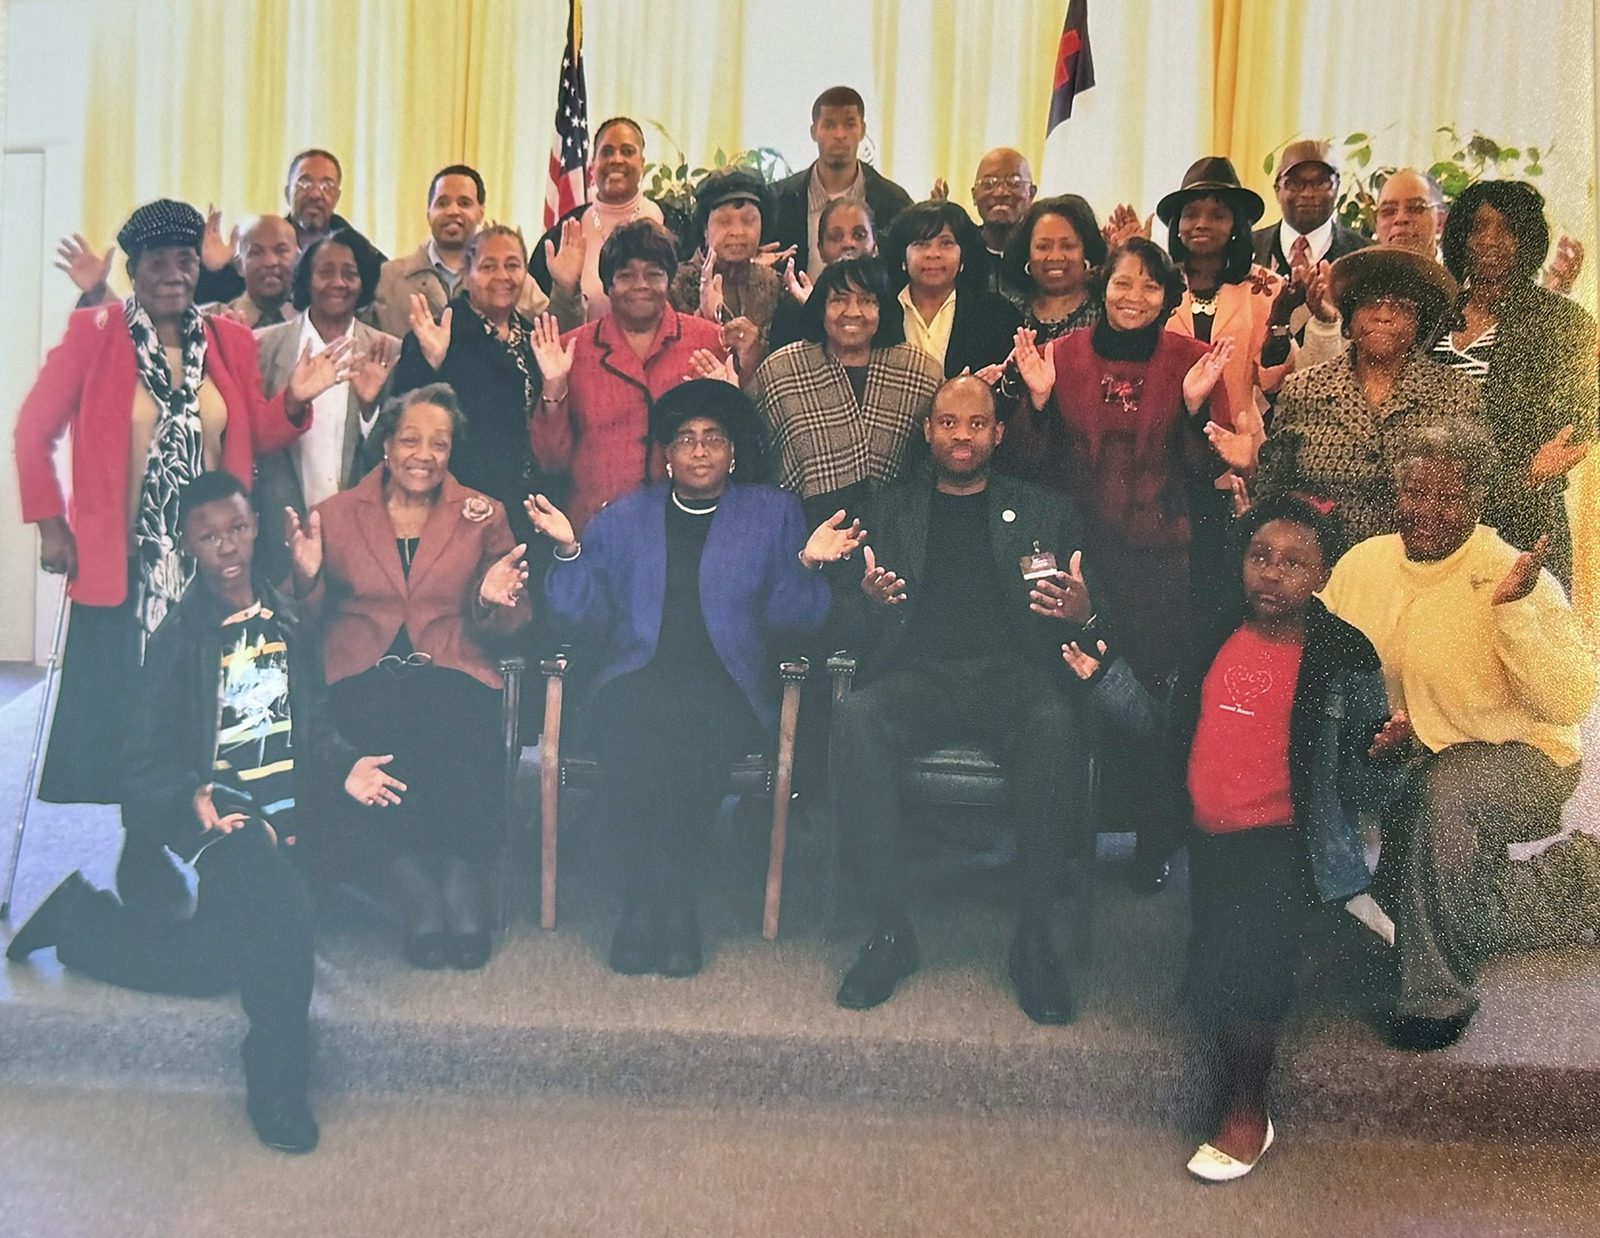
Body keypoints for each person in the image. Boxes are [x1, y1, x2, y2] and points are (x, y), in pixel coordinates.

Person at [5, 472, 374, 1154]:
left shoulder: (285, 617)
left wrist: (347, 763)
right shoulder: (181, 637)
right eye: (208, 537)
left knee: (214, 966)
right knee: (285, 915)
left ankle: (76, 921)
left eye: (236, 528)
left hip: (288, 810)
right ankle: (276, 1088)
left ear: (254, 525)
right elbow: (140, 759)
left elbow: (312, 721)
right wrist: (190, 795)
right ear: (188, 544)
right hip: (222, 818)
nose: (226, 547)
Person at [1063, 494, 1409, 1181]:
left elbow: (1363, 793)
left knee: (1245, 978)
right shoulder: (1217, 631)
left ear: (1322, 574)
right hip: (1210, 840)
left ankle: (1246, 1108)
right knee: (1210, 972)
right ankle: (1336, 940)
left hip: (1285, 844)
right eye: (1260, 557)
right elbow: (1170, 730)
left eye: (1293, 562)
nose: (1272, 574)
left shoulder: (1345, 655)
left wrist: (1386, 757)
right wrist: (1103, 674)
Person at [13, 199, 348, 810]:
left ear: (199, 267)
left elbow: (252, 438)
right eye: (158, 261)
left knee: (207, 698)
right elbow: (32, 431)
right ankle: (141, 830)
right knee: (130, 708)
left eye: (186, 259)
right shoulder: (94, 336)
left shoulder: (230, 340)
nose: (174, 272)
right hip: (127, 560)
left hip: (213, 557)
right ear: (134, 271)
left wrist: (295, 401)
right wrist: (49, 526)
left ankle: (210, 819)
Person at [529, 381, 858, 977]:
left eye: (713, 439)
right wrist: (571, 553)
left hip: (726, 685)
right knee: (637, 727)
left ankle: (666, 901)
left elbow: (794, 623)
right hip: (634, 677)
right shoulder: (626, 515)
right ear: (667, 456)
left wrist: (807, 564)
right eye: (685, 440)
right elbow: (582, 619)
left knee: (689, 727)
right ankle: (650, 900)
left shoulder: (772, 513)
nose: (700, 451)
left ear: (733, 453)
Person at [1321, 421, 1600, 1051]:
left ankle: (1434, 994)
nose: (1425, 510)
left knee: (1439, 801)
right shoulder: (1366, 564)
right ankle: (1577, 884)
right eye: (1414, 493)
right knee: (1415, 893)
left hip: (1522, 762)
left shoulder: (1509, 573)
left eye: (1447, 497)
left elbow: (1570, 699)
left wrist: (1515, 611)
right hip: (1404, 757)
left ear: (1475, 502)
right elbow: (1322, 645)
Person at [828, 376, 1093, 1022]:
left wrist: (1083, 615)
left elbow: (1080, 606)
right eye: (948, 423)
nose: (962, 435)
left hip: (1015, 678)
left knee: (1057, 724)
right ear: (928, 432)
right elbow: (848, 623)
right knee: (855, 717)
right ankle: (891, 930)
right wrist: (868, 605)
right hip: (920, 676)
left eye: (976, 424)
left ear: (998, 433)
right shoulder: (890, 509)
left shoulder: (1043, 511)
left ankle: (1034, 938)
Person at [1006, 237, 1238, 888]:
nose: (1133, 298)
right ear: (1100, 287)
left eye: (1149, 286)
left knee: (1149, 695)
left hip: (1161, 561)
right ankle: (1067, 835)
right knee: (1070, 689)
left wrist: (1195, 409)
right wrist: (1042, 401)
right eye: (1121, 284)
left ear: (1168, 298)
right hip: (1078, 555)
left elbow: (1206, 472)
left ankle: (1151, 841)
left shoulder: (1194, 360)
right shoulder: (1061, 355)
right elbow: (1026, 466)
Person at [286, 385, 531, 969]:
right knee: (371, 720)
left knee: (457, 716)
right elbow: (301, 622)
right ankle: (411, 880)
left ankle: (460, 872)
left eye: (439, 444)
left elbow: (515, 622)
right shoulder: (335, 514)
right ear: (387, 446)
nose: (425, 454)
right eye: (411, 440)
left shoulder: (482, 514)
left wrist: (495, 599)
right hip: (359, 667)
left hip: (451, 660)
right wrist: (305, 578)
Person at [1255, 246, 1483, 547]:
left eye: (1401, 306)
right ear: (1348, 321)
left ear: (1419, 324)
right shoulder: (1303, 389)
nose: (1384, 316)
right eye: (1370, 304)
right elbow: (1272, 493)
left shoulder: (1457, 394)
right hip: (1324, 573)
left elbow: (1471, 497)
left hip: (1416, 570)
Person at [1430, 179, 1597, 584]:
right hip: (1436, 514)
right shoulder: (1434, 312)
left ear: (1526, 239)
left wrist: (1538, 471)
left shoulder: (1562, 320)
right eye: (1478, 227)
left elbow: (1588, 412)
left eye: (1506, 228)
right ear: (1460, 236)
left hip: (1524, 514)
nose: (1490, 240)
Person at [527, 219, 727, 533]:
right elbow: (550, 462)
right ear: (608, 285)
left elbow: (736, 446)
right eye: (626, 275)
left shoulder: (710, 341)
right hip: (597, 529)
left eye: (654, 274)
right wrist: (554, 388)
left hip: (689, 528)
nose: (641, 285)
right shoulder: (570, 350)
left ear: (669, 280)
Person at [748, 256, 943, 527]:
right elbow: (752, 450)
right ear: (821, 308)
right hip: (803, 531)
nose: (853, 312)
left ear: (882, 308)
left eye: (866, 300)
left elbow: (935, 461)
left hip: (897, 532)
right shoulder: (783, 369)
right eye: (839, 299)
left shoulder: (919, 370)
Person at [254, 230, 401, 582]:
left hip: (362, 538)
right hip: (281, 532)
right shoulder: (264, 347)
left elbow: (396, 450)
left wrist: (369, 411)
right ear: (306, 279)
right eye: (325, 272)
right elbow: (255, 441)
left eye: (350, 273)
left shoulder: (388, 351)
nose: (338, 283)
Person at [392, 225, 553, 546]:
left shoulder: (537, 335)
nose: (502, 276)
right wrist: (433, 364)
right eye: (488, 266)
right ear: (465, 275)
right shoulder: (439, 333)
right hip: (461, 508)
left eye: (512, 265)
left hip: (530, 506)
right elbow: (402, 418)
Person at [1158, 157, 1296, 451]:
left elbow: (1273, 381)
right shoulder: (1156, 283)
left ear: (1236, 224)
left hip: (1239, 442)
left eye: (1218, 215)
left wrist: (1282, 319)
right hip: (1163, 443)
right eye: (1191, 214)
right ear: (1177, 224)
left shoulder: (1266, 287)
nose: (1202, 224)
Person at [369, 164, 565, 339]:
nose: (453, 211)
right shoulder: (389, 277)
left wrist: (566, 289)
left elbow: (559, 334)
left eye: (464, 203)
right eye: (442, 203)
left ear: (481, 212)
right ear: (428, 213)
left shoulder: (513, 279)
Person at [529, 116, 694, 320]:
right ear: (593, 165)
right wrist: (565, 289)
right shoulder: (564, 233)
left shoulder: (676, 224)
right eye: (606, 152)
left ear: (642, 163)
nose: (616, 159)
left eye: (627, 151)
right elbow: (540, 322)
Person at [195, 149, 386, 306]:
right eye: (304, 183)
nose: (315, 194)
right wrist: (216, 270)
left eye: (326, 186)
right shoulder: (263, 245)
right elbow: (217, 307)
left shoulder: (358, 252)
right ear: (288, 193)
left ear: (337, 196)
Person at [769, 86, 914, 281]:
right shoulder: (778, 200)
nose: (839, 134)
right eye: (829, 125)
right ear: (814, 132)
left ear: (862, 130)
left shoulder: (893, 201)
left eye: (849, 124)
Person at [56, 215, 302, 329]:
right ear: (239, 264)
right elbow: (135, 335)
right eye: (257, 252)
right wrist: (98, 289)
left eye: (281, 250)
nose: (270, 261)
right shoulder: (208, 320)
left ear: (298, 258)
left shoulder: (312, 323)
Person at [992, 194, 1108, 409]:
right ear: (1027, 253)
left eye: (1068, 245)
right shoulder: (1005, 311)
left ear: (1086, 251)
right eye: (1043, 246)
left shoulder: (1106, 313)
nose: (1055, 256)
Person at [888, 199, 1022, 378]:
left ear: (963, 256)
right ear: (903, 258)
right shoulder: (881, 311)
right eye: (921, 243)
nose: (933, 254)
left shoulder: (996, 315)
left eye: (946, 243)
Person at [670, 166, 782, 357]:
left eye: (748, 220)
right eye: (724, 222)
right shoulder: (674, 285)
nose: (737, 232)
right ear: (705, 229)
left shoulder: (774, 284)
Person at [768, 198, 879, 353]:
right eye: (836, 237)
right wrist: (812, 308)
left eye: (859, 235)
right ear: (821, 249)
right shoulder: (792, 312)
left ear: (875, 246)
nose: (848, 243)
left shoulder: (892, 303)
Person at [931, 147, 1039, 301]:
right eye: (989, 184)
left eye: (1014, 183)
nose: (1001, 192)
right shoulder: (961, 250)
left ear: (1031, 194)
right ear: (974, 195)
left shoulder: (1041, 252)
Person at [1251, 139, 1371, 277]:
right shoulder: (1246, 249)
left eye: (1321, 183)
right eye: (1295, 183)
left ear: (1337, 188)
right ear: (1277, 189)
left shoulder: (1365, 255)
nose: (1308, 194)